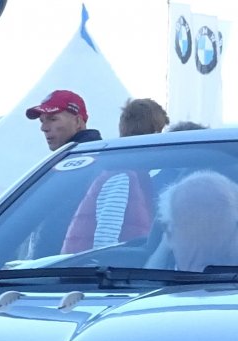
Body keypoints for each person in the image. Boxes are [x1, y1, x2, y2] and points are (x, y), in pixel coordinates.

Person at [60, 98, 169, 254]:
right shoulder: (122, 176)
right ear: (155, 132)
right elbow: (105, 242)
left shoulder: (133, 173)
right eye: (162, 132)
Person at [155, 170, 238, 272]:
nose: (208, 244)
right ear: (169, 235)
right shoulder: (144, 283)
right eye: (194, 228)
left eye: (218, 228)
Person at [26, 89, 102, 152]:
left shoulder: (84, 163)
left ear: (77, 122)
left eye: (53, 119)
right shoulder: (96, 157)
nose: (43, 128)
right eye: (42, 121)